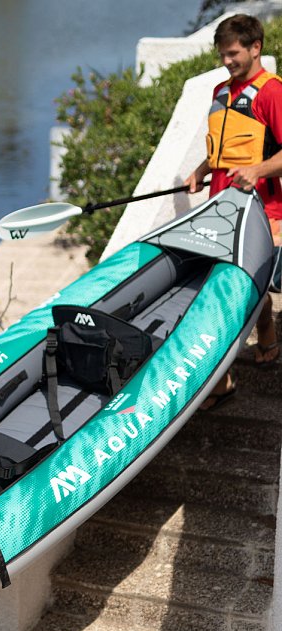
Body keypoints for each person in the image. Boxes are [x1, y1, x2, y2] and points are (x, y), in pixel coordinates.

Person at [186, 13, 280, 409]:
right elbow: (223, 148)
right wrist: (202, 169)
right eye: (222, 54)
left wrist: (258, 170)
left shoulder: (272, 93)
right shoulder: (220, 92)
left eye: (233, 53)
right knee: (237, 286)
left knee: (229, 292)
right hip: (220, 208)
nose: (227, 61)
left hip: (261, 210)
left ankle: (220, 381)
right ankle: (269, 336)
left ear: (255, 47)